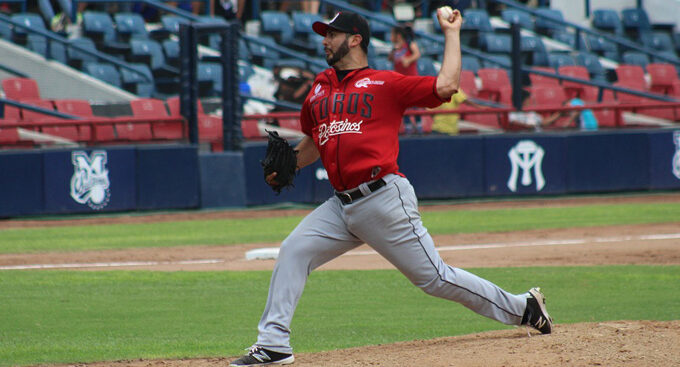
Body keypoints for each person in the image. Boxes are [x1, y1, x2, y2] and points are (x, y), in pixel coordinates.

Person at [230, 9, 553, 367]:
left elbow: (445, 86)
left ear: (355, 39)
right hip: (341, 206)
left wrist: (452, 33)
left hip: (383, 197)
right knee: (293, 251)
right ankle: (274, 345)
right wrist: (289, 163)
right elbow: (315, 141)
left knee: (435, 278)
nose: (325, 40)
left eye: (332, 34)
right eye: (325, 35)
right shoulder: (318, 89)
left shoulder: (386, 83)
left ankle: (523, 307)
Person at [388, 24, 423, 134]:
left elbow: (417, 54)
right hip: (400, 81)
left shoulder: (409, 44)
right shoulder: (395, 48)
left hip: (412, 80)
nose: (390, 36)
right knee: (404, 104)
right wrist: (393, 53)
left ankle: (419, 125)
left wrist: (408, 59)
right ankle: (408, 126)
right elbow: (390, 59)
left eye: (392, 34)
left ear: (398, 35)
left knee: (415, 104)